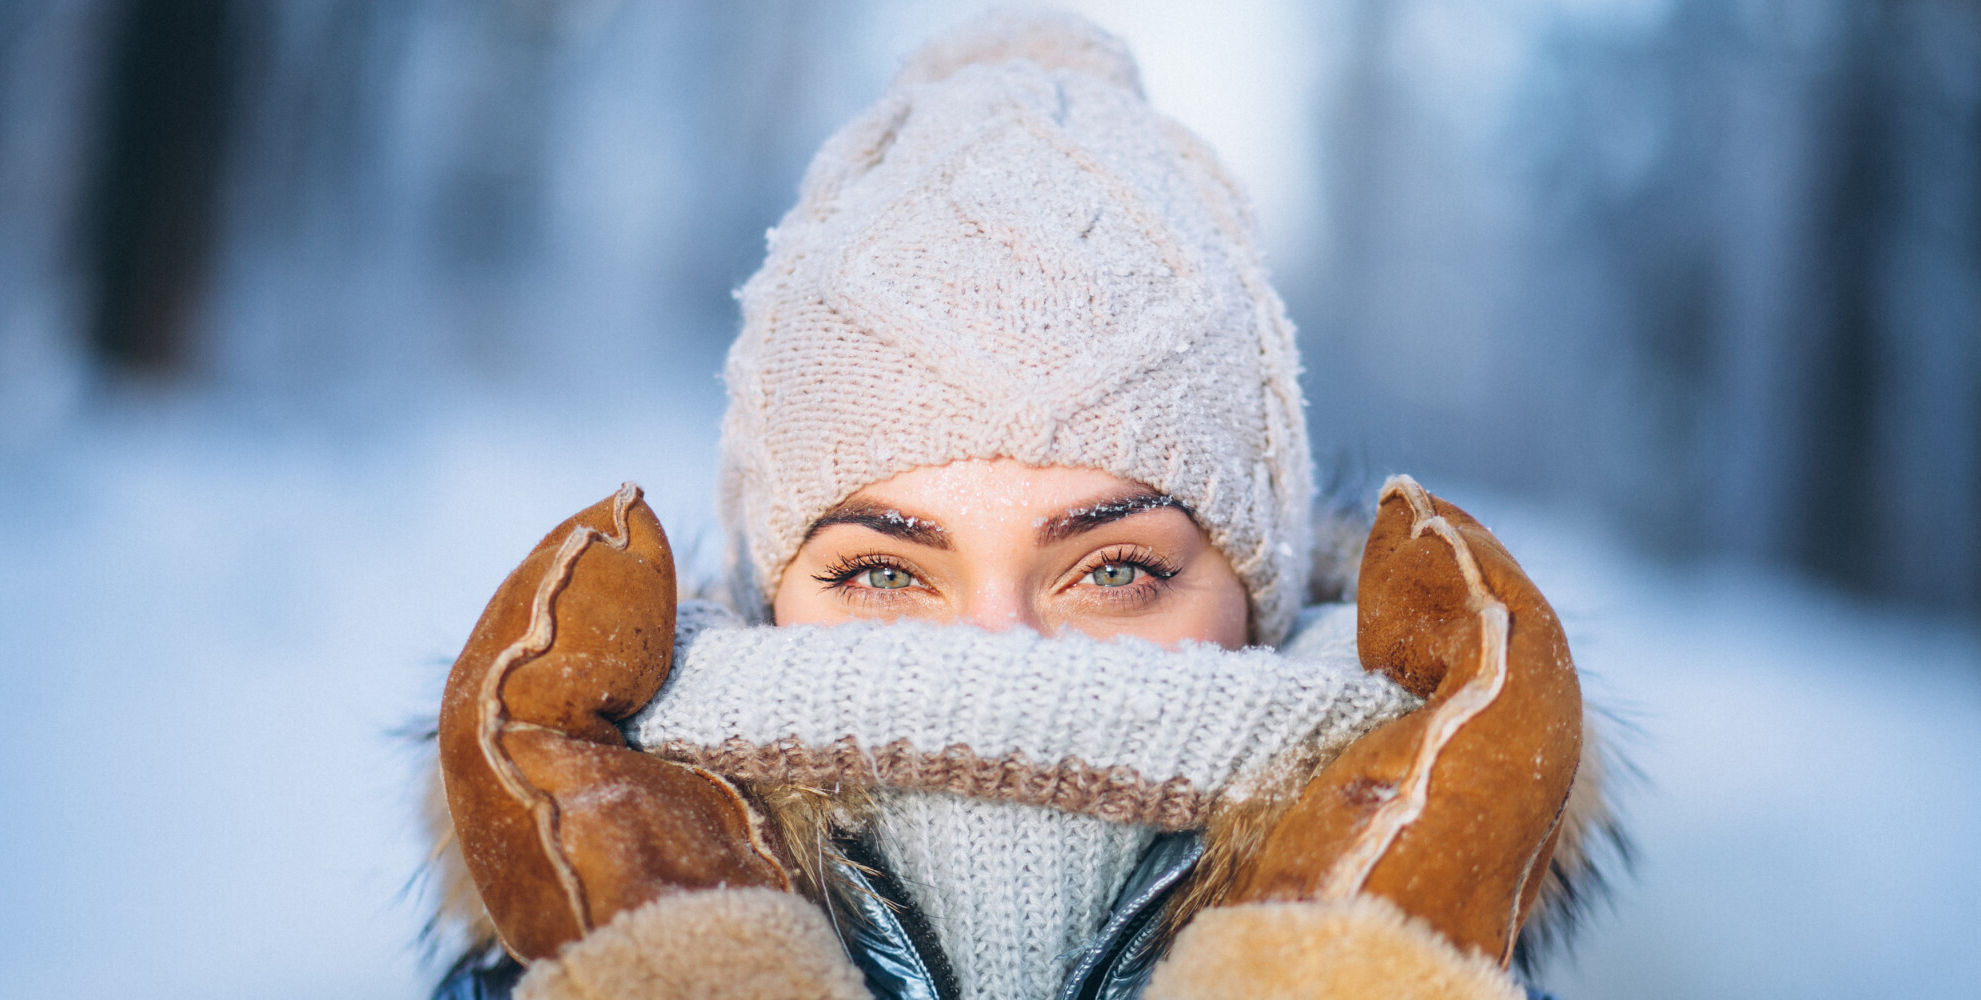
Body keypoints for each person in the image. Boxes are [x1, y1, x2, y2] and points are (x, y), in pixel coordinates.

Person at [427, 12, 1613, 1000]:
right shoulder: (578, 937)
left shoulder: (1427, 951)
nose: (995, 659)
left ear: (1257, 600)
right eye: (885, 572)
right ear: (761, 593)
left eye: (1115, 571)